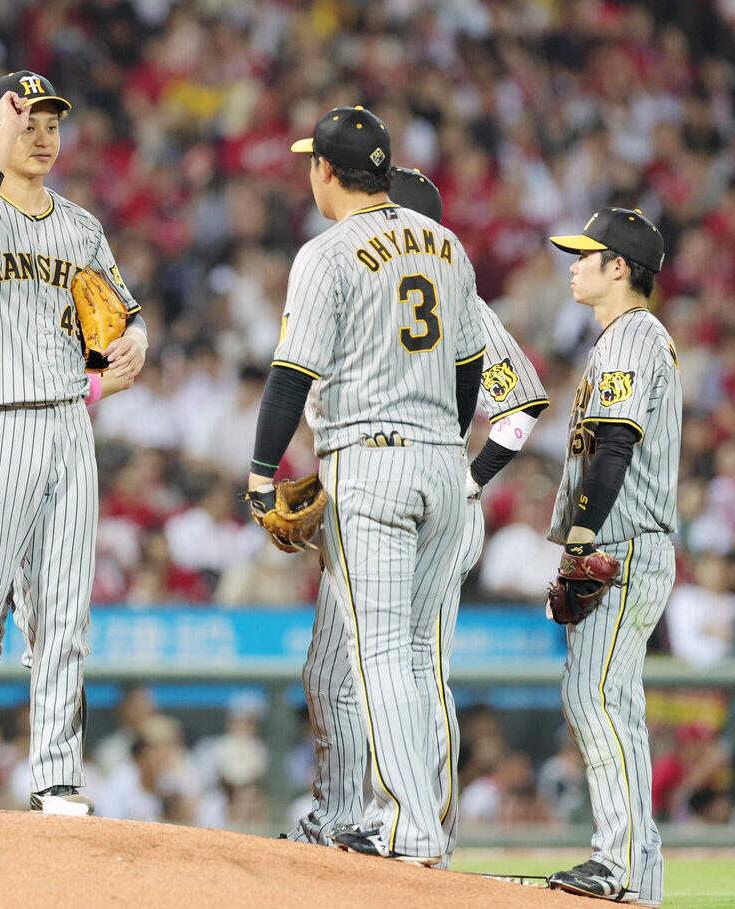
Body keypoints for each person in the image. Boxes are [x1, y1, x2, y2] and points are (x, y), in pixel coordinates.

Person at [289, 167, 549, 864]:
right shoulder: (369, 281)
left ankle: (425, 829)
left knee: (412, 666)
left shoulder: (452, 292)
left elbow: (521, 406)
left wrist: (471, 473)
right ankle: (342, 814)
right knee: (330, 668)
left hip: (430, 502)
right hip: (382, 491)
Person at [247, 108, 485, 865]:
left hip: (371, 458)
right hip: (447, 462)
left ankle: (407, 827)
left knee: (377, 653)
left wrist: (260, 473)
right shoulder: (448, 246)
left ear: (324, 169)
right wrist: (442, 437)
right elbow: (471, 368)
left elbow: (292, 375)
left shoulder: (327, 252)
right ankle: (428, 829)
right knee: (419, 658)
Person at [0, 71, 147, 816]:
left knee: (63, 613)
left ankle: (55, 776)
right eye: (27, 120)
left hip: (65, 425)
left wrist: (134, 340)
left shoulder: (81, 226)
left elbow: (118, 316)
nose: (42, 134)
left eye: (51, 121)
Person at [544, 208, 679, 905]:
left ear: (619, 266)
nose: (573, 262)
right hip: (632, 544)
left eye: (586, 253)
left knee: (594, 696)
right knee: (613, 702)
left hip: (623, 544)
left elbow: (616, 443)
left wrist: (582, 536)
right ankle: (637, 874)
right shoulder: (630, 337)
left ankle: (619, 864)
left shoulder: (630, 336)